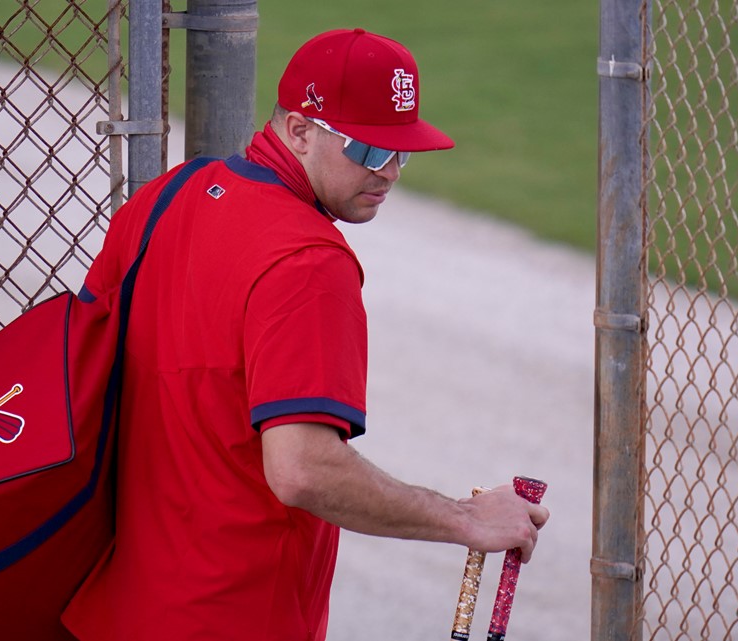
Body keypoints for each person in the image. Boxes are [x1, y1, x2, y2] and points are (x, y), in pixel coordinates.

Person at [62, 28, 549, 640]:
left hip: (115, 609)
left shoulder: (167, 197)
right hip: (235, 618)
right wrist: (466, 519)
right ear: (300, 131)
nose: (392, 172)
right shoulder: (310, 262)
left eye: (403, 152)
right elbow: (303, 469)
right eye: (370, 151)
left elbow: (82, 373)